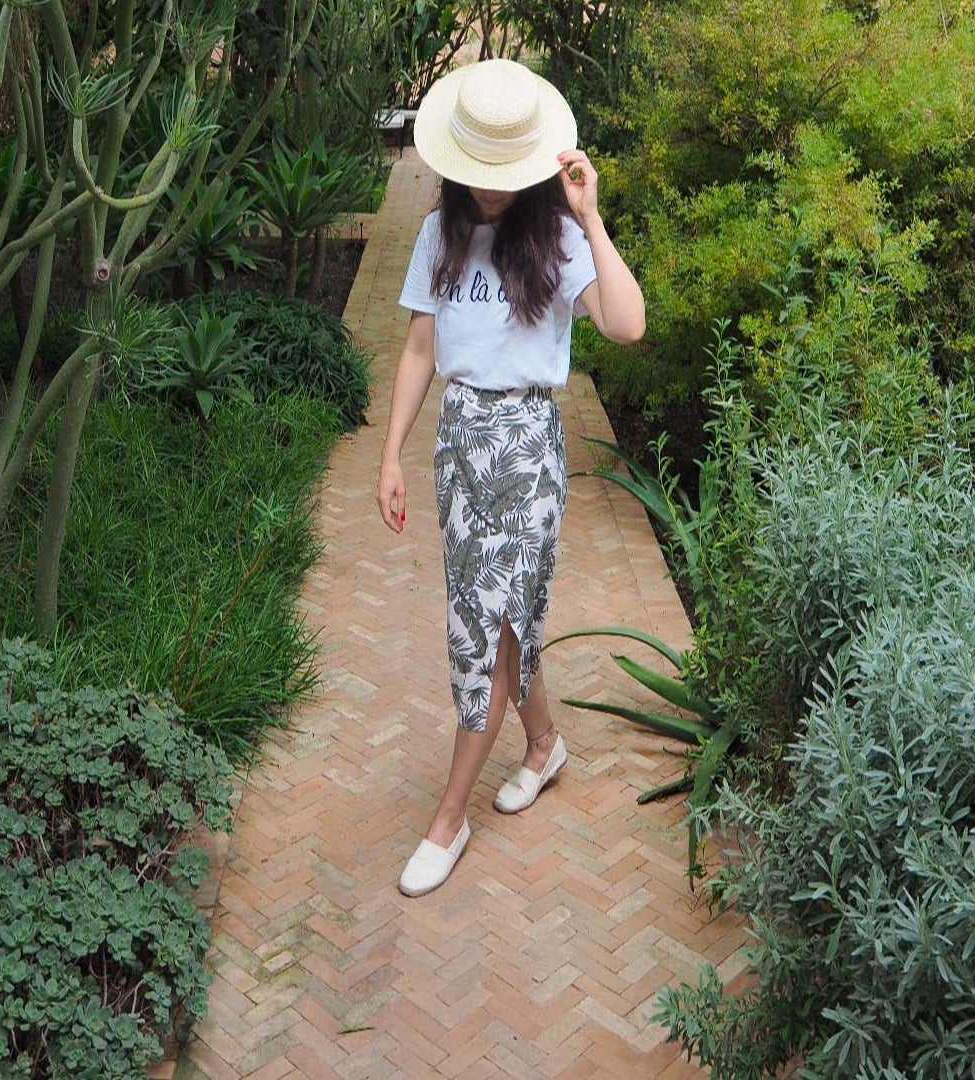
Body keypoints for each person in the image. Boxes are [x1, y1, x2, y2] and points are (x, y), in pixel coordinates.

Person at [374, 57, 645, 897]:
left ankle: (448, 819)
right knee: (499, 617)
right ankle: (544, 745)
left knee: (486, 626)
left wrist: (591, 217)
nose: (490, 190)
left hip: (527, 446)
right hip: (459, 445)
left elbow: (626, 324)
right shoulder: (437, 235)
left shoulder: (558, 237)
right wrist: (390, 454)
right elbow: (421, 350)